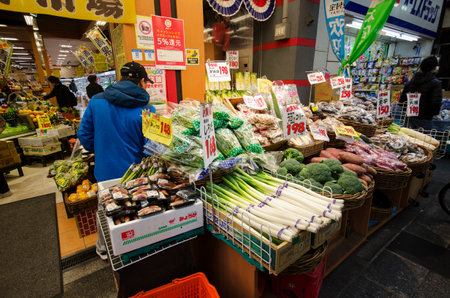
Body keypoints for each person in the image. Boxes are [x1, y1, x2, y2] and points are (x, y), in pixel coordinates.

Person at [77, 62, 155, 260]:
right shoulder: (147, 109)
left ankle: (104, 250)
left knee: (105, 211)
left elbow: (84, 135)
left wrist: (103, 150)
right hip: (134, 174)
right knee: (134, 211)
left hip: (105, 171)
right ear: (141, 82)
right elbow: (153, 147)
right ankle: (132, 250)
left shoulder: (96, 101)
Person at [400, 56, 442, 130]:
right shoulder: (435, 83)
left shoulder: (411, 82)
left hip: (409, 118)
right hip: (425, 119)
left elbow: (401, 101)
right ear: (434, 68)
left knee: (407, 139)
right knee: (423, 140)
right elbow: (435, 105)